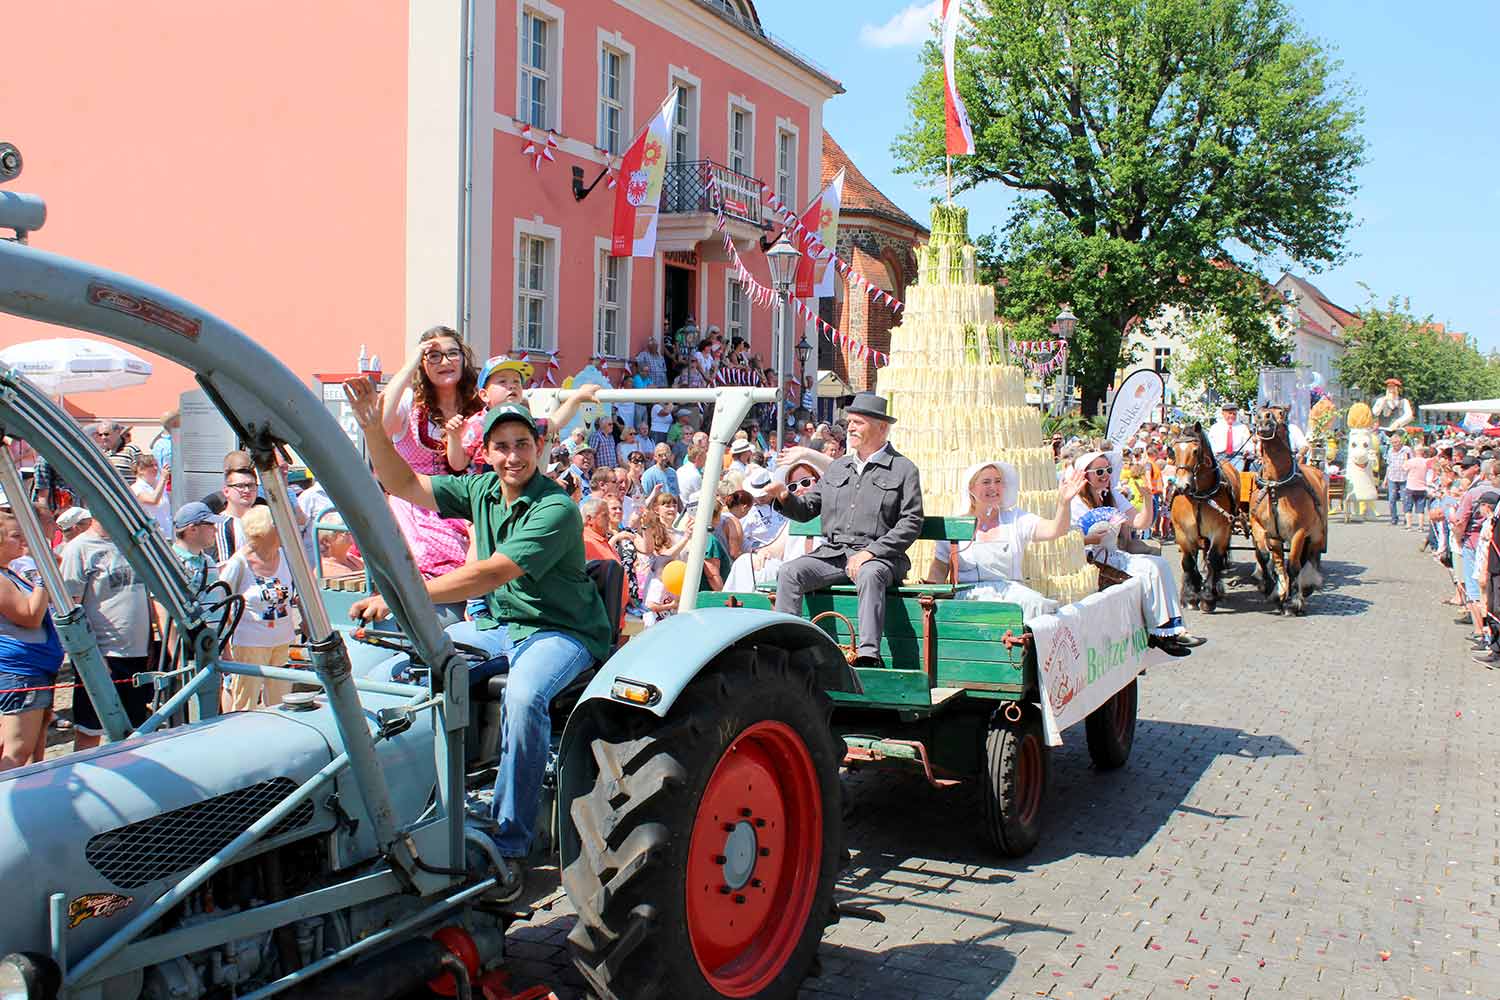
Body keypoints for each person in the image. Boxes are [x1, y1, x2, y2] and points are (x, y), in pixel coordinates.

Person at [344, 381, 611, 901]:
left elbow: (491, 572)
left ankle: (511, 841)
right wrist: (374, 429)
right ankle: (414, 810)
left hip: (561, 630)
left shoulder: (555, 509)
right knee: (401, 673)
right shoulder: (480, 491)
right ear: (485, 453)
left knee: (524, 696)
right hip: (499, 627)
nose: (513, 456)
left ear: (538, 447)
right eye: (502, 446)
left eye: (522, 444)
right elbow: (399, 481)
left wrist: (405, 595)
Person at [767, 394, 923, 669]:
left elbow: (911, 522)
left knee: (869, 572)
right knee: (790, 572)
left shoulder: (903, 469)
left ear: (882, 428)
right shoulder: (838, 467)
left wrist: (870, 552)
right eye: (849, 422)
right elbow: (806, 510)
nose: (850, 428)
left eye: (858, 422)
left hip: (881, 558)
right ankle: (785, 652)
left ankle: (868, 656)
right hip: (835, 554)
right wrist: (783, 496)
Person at [374, 327, 485, 584]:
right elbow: (379, 423)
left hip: (462, 499)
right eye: (434, 356)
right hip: (416, 501)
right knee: (430, 557)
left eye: (452, 354)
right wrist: (410, 365)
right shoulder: (410, 403)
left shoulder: (476, 405)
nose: (445, 362)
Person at [1071, 451, 1203, 655]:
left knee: (1161, 564)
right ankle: (1159, 632)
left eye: (1108, 470)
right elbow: (1068, 539)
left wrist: (1148, 500)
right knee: (1149, 569)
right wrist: (1091, 539)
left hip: (1114, 554)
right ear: (1085, 475)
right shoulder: (1076, 502)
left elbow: (1140, 522)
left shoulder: (1112, 496)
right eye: (1099, 472)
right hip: (1090, 558)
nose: (1105, 475)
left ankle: (1174, 628)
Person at [927, 461, 1087, 619]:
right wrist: (930, 595)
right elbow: (939, 568)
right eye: (986, 482)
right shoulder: (955, 525)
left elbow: (1056, 530)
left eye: (998, 481)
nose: (993, 487)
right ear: (971, 488)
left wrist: (1064, 503)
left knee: (1038, 605)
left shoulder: (1016, 519)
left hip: (1012, 592)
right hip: (970, 596)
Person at [60, 515, 153, 750]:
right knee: (92, 730)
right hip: (103, 655)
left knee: (136, 729)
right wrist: (91, 654)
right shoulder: (79, 548)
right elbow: (70, 608)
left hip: (138, 652)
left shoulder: (133, 543)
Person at [218, 506, 299, 711]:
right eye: (278, 527)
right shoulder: (239, 563)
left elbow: (297, 593)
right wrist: (227, 644)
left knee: (282, 702)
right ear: (265, 532)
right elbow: (221, 601)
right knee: (245, 703)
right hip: (250, 643)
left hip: (282, 640)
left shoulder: (286, 557)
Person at [0, 510, 63, 771]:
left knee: (30, 749)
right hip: (21, 672)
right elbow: (29, 616)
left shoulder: (9, 573)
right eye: (15, 535)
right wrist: (43, 576)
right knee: (17, 751)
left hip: (32, 670)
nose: (22, 540)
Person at [722, 448, 828, 592]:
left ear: (819, 482)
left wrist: (807, 453)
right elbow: (777, 547)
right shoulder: (794, 516)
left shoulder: (831, 509)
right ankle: (735, 608)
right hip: (788, 569)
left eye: (805, 482)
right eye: (793, 486)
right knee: (745, 562)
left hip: (812, 573)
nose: (800, 489)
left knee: (768, 573)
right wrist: (764, 553)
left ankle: (746, 608)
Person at [170, 502, 221, 594]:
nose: (216, 530)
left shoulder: (209, 561)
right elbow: (160, 604)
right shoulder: (169, 561)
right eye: (211, 525)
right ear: (192, 529)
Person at [131, 450, 172, 539]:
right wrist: (163, 480)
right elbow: (153, 500)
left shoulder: (159, 484)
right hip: (153, 536)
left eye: (156, 465)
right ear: (140, 470)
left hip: (168, 533)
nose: (156, 468)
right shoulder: (136, 488)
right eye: (151, 466)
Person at [1207, 402, 1250, 470]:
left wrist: (1248, 450)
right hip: (1219, 457)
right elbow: (1210, 443)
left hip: (1237, 457)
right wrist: (1214, 452)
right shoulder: (1215, 427)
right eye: (1230, 413)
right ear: (1223, 413)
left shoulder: (1243, 427)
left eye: (1234, 414)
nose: (1232, 416)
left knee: (1236, 477)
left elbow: (1248, 443)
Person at [1384, 433, 1412, 527]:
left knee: (1405, 499)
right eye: (1392, 443)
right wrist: (1385, 480)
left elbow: (1411, 462)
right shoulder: (1390, 451)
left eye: (1396, 442)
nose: (1394, 444)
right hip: (1392, 477)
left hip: (1404, 477)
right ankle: (1394, 518)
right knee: (1391, 498)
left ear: (1400, 442)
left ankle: (1406, 518)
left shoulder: (1406, 450)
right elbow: (1389, 466)